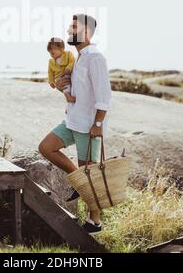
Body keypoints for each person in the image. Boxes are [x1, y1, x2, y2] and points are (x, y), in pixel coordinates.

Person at [39, 14, 112, 235]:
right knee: (46, 147)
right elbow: (75, 89)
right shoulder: (78, 57)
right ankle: (78, 182)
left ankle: (95, 222)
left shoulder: (95, 57)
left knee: (88, 173)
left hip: (88, 125)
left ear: (86, 32)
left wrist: (98, 123)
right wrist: (61, 86)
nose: (69, 31)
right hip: (72, 120)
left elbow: (104, 94)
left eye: (74, 28)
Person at [47, 37, 76, 103]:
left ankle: (70, 104)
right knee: (66, 86)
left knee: (70, 84)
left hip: (68, 73)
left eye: (54, 49)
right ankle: (68, 97)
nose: (51, 52)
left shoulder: (68, 54)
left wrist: (68, 68)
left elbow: (72, 61)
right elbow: (50, 72)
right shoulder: (51, 61)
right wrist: (51, 81)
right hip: (59, 77)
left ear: (62, 49)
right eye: (50, 51)